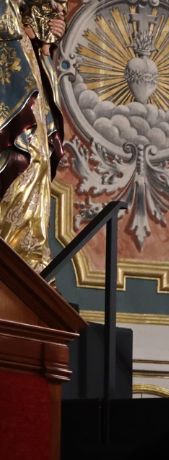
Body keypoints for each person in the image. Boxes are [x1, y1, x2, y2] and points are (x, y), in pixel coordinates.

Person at [0, 1, 65, 271]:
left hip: (24, 65)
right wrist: (20, 25)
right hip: (7, 74)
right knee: (17, 156)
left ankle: (29, 263)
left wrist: (45, 30)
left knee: (36, 159)